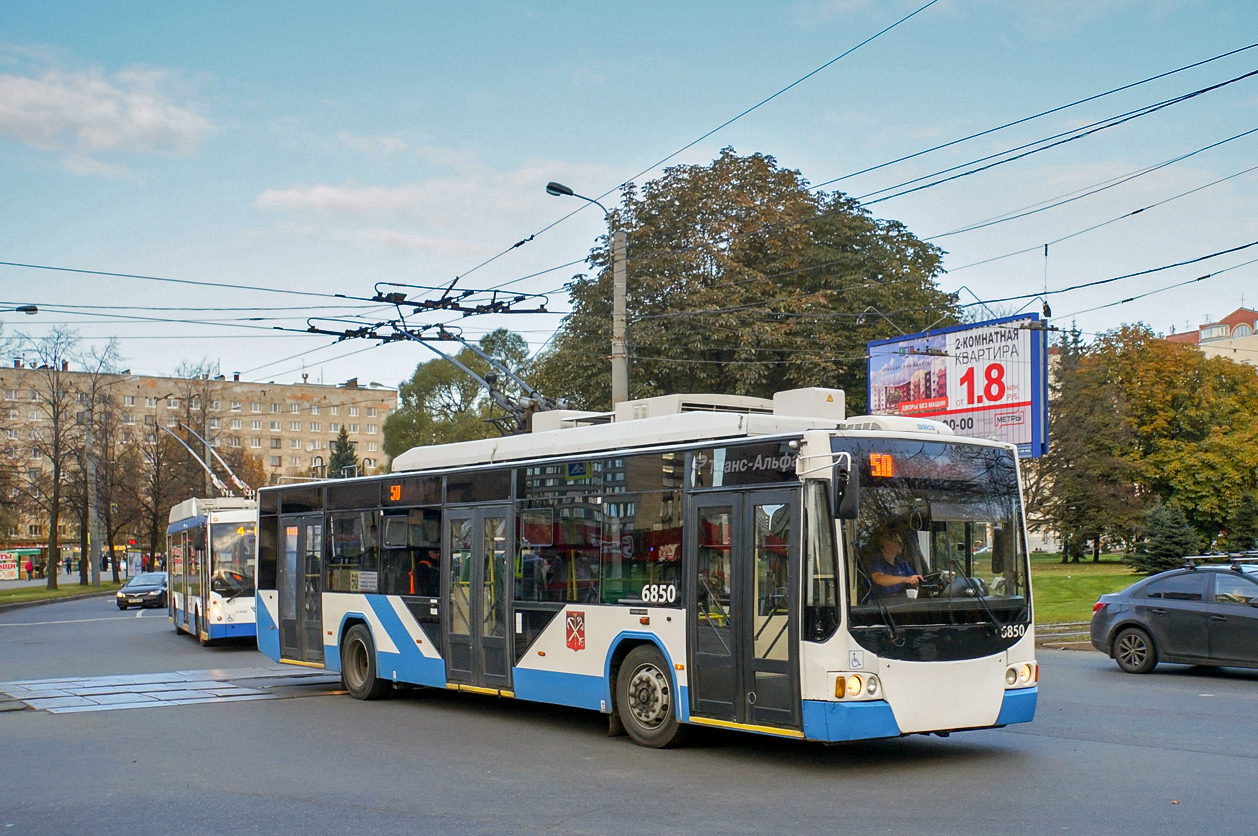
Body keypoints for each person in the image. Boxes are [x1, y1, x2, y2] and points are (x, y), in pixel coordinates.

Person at [866, 528, 923, 599]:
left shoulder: (902, 563)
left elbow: (913, 580)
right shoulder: (875, 562)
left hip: (903, 604)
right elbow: (878, 578)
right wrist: (905, 579)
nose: (901, 545)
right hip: (883, 606)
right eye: (897, 542)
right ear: (886, 542)